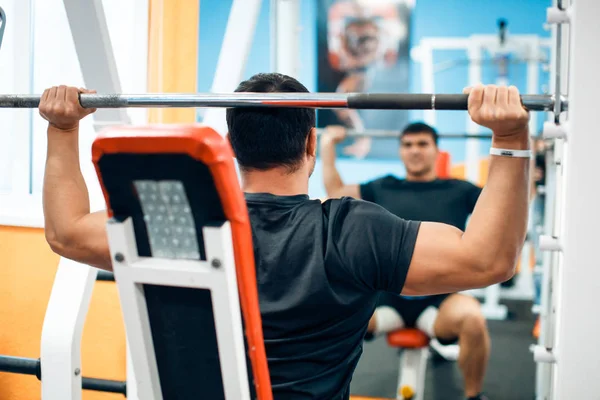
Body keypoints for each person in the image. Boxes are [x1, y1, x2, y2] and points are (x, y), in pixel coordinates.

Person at [41, 74, 531, 400]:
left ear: (234, 146)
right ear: (311, 141)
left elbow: (65, 233)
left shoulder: (184, 229)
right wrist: (509, 140)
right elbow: (489, 260)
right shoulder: (352, 229)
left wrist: (63, 129)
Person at [321, 122, 489, 400]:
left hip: (440, 298)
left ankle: (473, 396)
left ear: (437, 150)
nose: (415, 151)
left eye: (423, 144)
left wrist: (510, 144)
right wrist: (328, 146)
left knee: (472, 318)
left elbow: (503, 206)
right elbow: (335, 190)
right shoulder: (383, 186)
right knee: (328, 312)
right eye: (408, 145)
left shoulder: (460, 190)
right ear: (400, 151)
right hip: (385, 297)